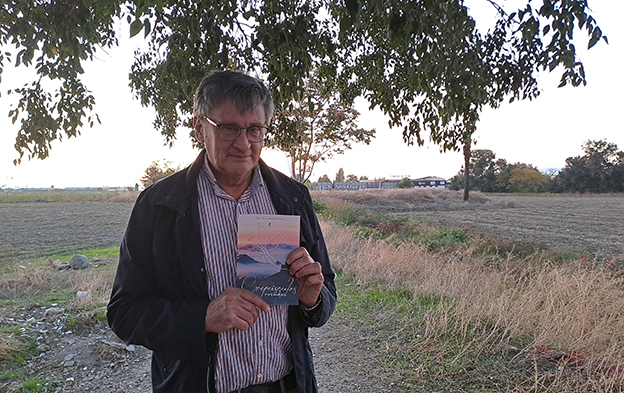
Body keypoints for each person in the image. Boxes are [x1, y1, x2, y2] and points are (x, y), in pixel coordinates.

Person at [107, 70, 336, 393]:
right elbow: (124, 312)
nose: (244, 143)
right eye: (229, 128)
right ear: (200, 128)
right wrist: (201, 316)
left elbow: (325, 295)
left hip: (287, 385)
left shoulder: (292, 198)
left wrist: (311, 298)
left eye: (255, 129)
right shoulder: (159, 206)